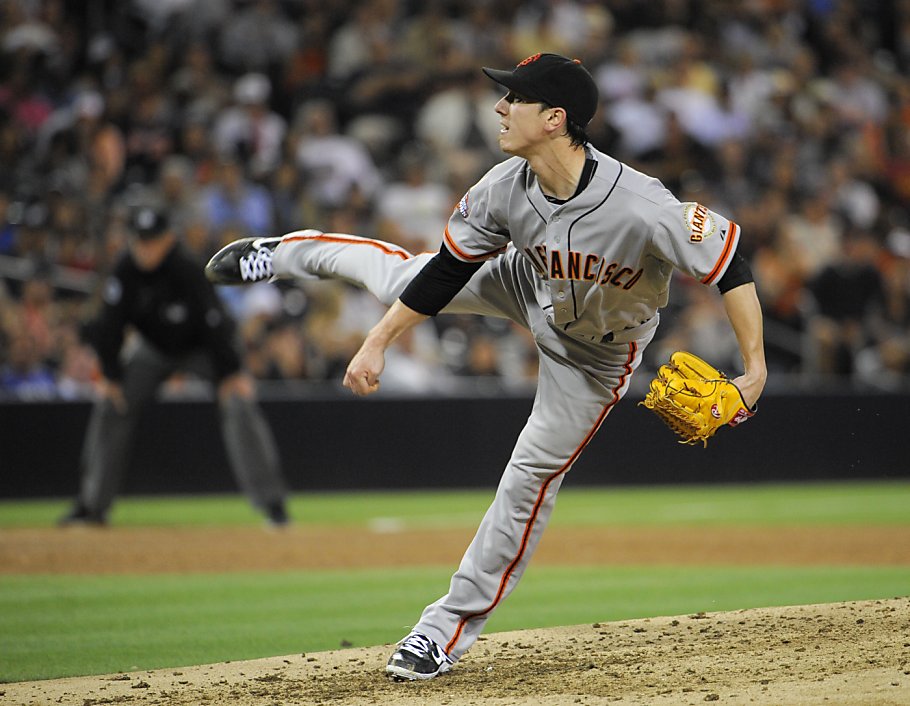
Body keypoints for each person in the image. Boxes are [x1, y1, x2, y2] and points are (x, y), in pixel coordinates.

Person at [206, 53, 766, 680]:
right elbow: (446, 273)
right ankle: (285, 252)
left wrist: (754, 371)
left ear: (555, 119)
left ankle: (439, 631)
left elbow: (729, 261)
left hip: (597, 356)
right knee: (404, 274)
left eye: (514, 99)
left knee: (527, 478)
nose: (499, 107)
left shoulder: (642, 203)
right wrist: (379, 339)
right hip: (526, 283)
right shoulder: (504, 186)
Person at [59, 204, 290, 527]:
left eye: (152, 240)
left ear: (168, 239)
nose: (145, 248)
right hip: (151, 349)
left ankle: (273, 504)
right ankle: (92, 505)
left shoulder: (187, 267)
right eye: (139, 240)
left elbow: (215, 324)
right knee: (111, 403)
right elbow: (108, 325)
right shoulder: (126, 269)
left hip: (201, 349)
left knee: (239, 402)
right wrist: (111, 376)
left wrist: (231, 373)